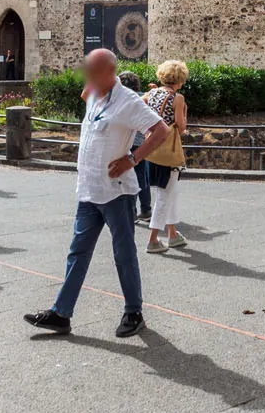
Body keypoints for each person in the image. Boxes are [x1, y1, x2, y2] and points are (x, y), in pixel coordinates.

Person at [22, 49, 170, 338]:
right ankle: (61, 314)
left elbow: (161, 130)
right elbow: (87, 98)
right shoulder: (93, 94)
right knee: (78, 252)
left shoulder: (127, 100)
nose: (85, 75)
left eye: (91, 71)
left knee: (123, 252)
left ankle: (133, 311)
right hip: (89, 189)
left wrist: (133, 158)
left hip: (116, 192)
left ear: (109, 72)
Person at [142, 60, 189, 254]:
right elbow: (181, 125)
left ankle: (172, 233)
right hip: (168, 151)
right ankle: (153, 239)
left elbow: (140, 106)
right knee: (164, 193)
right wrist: (184, 112)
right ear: (179, 80)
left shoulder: (151, 93)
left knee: (171, 192)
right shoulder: (178, 98)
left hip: (152, 148)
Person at [118, 70, 153, 223]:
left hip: (126, 143)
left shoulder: (121, 99)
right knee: (142, 177)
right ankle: (146, 209)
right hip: (142, 144)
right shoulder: (143, 97)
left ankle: (131, 211)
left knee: (127, 179)